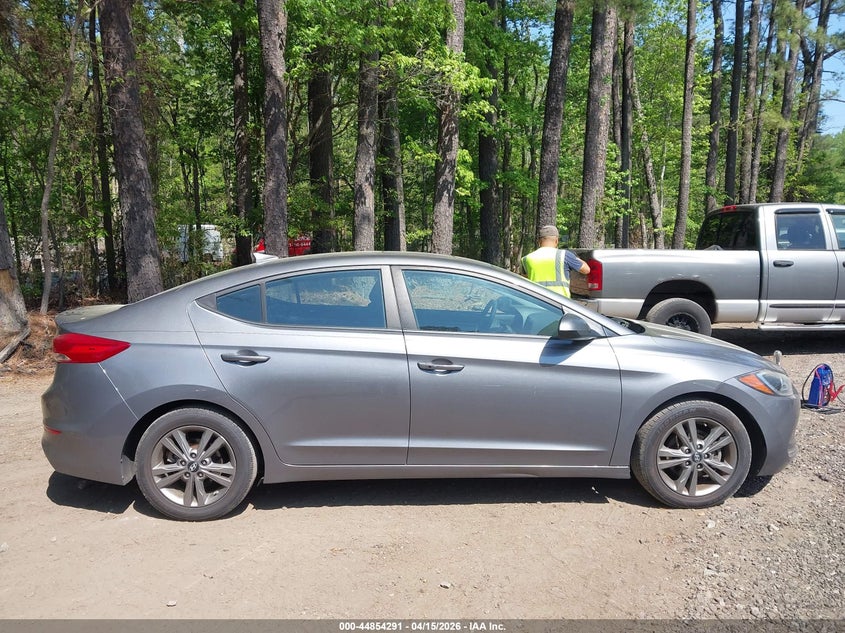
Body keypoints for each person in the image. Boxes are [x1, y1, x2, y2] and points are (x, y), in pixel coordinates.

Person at [521, 225, 590, 298]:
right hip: (559, 302)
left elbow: (525, 280)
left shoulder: (526, 259)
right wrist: (576, 258)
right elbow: (586, 270)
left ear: (539, 241)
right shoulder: (564, 255)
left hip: (537, 301)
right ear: (556, 241)